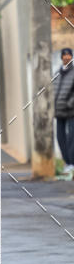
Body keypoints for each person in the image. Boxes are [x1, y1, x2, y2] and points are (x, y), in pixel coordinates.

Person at [54, 47, 74, 176]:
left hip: (71, 110)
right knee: (60, 137)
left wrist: (69, 103)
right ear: (61, 57)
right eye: (64, 55)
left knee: (71, 137)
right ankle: (67, 163)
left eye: (69, 55)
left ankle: (72, 163)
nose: (67, 57)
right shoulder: (58, 72)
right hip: (59, 111)